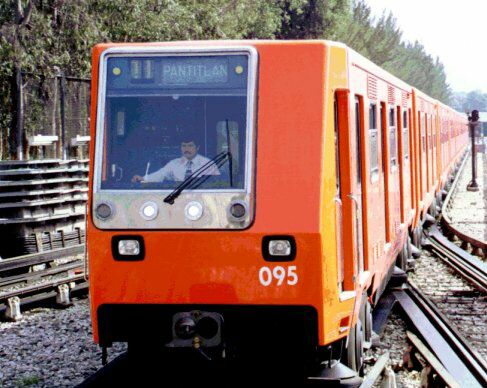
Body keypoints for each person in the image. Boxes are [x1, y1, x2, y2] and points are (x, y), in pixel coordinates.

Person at [131, 139, 220, 183]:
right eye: (184, 146)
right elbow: (161, 174)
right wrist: (143, 179)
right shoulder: (174, 163)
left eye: (190, 146)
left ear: (197, 147)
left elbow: (217, 183)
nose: (186, 149)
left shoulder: (208, 164)